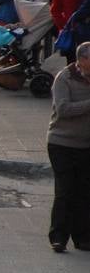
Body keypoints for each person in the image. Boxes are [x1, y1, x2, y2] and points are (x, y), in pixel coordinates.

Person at [47, 43, 90, 252]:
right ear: (82, 60)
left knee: (84, 192)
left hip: (86, 145)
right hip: (62, 143)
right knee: (65, 191)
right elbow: (63, 109)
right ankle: (58, 237)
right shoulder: (65, 78)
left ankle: (82, 237)